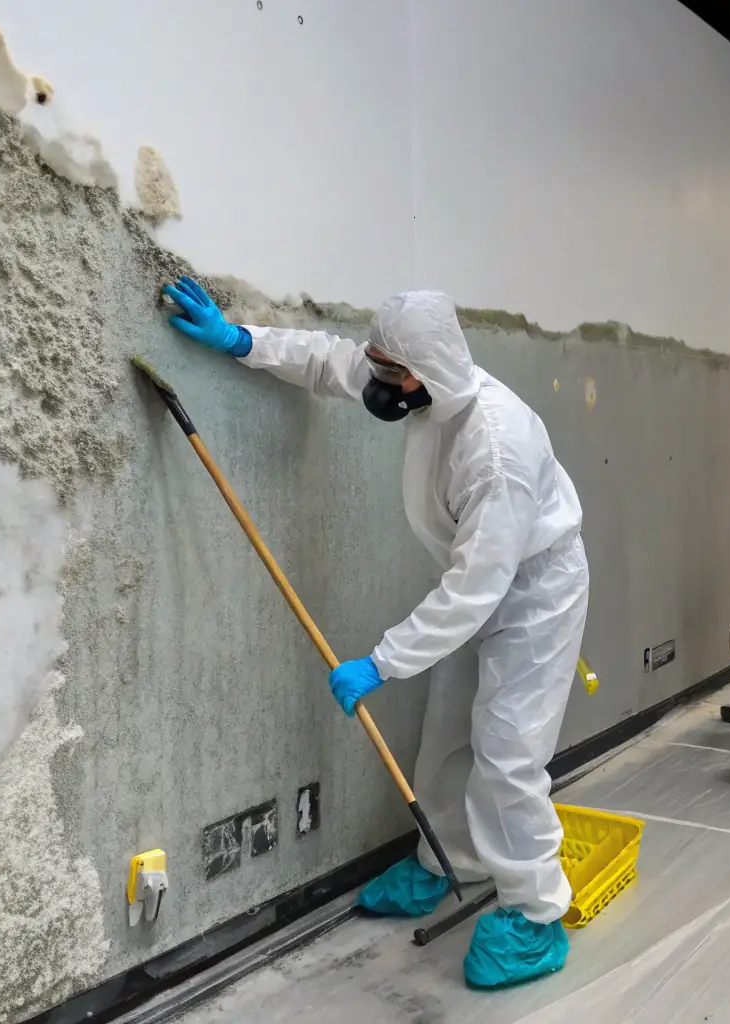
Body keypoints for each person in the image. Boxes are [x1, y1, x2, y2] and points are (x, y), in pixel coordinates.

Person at [162, 277, 589, 989]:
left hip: (531, 593)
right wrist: (242, 342)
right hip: (472, 580)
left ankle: (536, 912)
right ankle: (445, 859)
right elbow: (332, 363)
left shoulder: (495, 448)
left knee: (508, 751)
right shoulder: (420, 378)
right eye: (382, 365)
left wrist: (382, 662)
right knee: (447, 733)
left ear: (429, 369)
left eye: (393, 372)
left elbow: (477, 588)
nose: (381, 382)